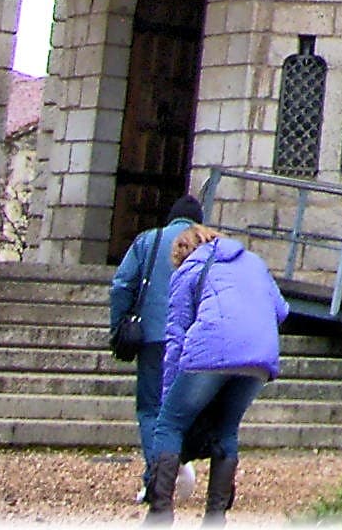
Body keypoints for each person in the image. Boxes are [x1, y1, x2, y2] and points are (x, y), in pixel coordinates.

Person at [142, 222, 285, 519]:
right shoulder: (253, 261)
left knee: (169, 424)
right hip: (259, 354)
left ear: (183, 252)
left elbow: (177, 336)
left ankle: (160, 513)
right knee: (226, 428)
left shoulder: (189, 269)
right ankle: (216, 517)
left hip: (211, 348)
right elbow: (282, 310)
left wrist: (169, 393)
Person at [106, 195, 202, 495]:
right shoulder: (210, 247)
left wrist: (118, 324)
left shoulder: (149, 240)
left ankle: (158, 477)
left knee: (150, 410)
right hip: (195, 340)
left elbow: (122, 285)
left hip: (153, 336)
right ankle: (181, 460)